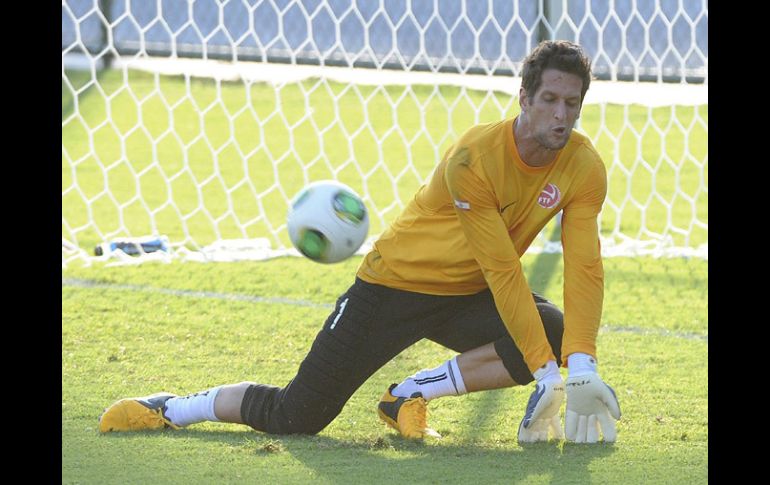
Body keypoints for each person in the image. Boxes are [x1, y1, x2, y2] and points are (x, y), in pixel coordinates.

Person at [99, 40, 621, 444]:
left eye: (571, 104)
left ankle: (407, 396)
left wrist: (582, 365)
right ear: (525, 97)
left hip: (468, 292)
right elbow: (503, 268)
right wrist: (547, 373)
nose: (560, 114)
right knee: (297, 416)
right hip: (393, 286)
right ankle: (172, 408)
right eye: (549, 99)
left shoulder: (583, 165)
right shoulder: (474, 157)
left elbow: (584, 267)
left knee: (555, 329)